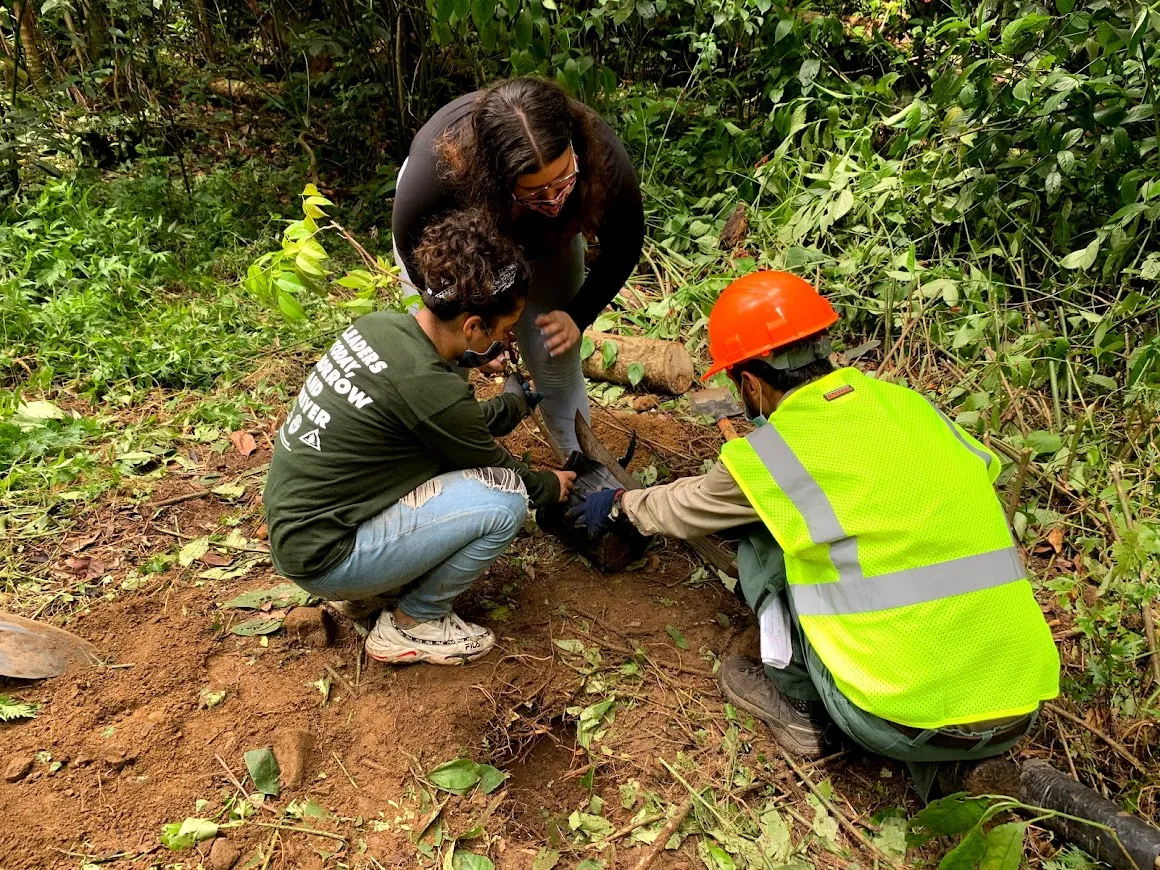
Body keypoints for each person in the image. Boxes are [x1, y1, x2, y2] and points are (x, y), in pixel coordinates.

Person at [567, 271, 1061, 798]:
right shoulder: (909, 406)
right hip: (1018, 700)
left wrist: (623, 503)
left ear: (749, 383)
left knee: (761, 534)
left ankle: (797, 703)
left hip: (896, 714)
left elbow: (685, 508)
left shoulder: (775, 455)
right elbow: (982, 472)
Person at [263, 208, 576, 666]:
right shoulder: (434, 394)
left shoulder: (381, 327)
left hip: (300, 535)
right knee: (505, 499)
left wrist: (484, 372)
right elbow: (496, 461)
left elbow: (441, 409)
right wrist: (551, 485)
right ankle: (415, 621)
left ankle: (372, 588)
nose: (506, 339)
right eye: (504, 329)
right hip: (329, 558)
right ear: (473, 326)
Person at [392, 76, 645, 454]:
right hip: (453, 249)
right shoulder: (435, 180)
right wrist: (474, 337)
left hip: (548, 246)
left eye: (563, 181)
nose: (556, 199)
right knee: (443, 363)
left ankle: (582, 469)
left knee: (554, 352)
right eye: (537, 191)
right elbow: (420, 263)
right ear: (498, 178)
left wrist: (578, 315)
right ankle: (444, 465)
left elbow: (625, 244)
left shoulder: (601, 158)